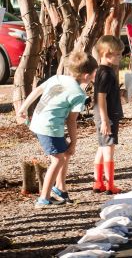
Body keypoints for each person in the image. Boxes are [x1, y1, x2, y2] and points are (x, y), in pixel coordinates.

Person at [16, 50, 98, 208]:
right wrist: (74, 141)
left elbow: (37, 91)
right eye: (95, 72)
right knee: (58, 159)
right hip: (49, 127)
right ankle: (44, 198)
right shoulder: (78, 94)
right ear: (87, 76)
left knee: (64, 154)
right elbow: (71, 121)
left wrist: (22, 109)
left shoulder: (58, 78)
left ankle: (61, 190)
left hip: (40, 122)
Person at [92, 36, 127, 194]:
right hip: (107, 116)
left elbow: (106, 93)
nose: (120, 57)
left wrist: (119, 92)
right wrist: (106, 120)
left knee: (102, 147)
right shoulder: (106, 73)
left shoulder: (102, 70)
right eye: (118, 54)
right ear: (106, 54)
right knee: (109, 149)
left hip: (104, 115)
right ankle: (109, 184)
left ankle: (98, 181)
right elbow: (101, 97)